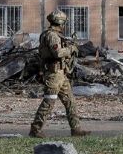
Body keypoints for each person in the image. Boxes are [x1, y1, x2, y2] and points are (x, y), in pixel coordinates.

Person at [29, 9, 90, 138]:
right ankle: (35, 129)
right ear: (60, 22)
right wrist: (71, 48)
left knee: (70, 101)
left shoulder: (55, 35)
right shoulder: (52, 36)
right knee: (49, 101)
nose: (64, 25)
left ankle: (76, 129)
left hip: (61, 74)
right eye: (64, 23)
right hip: (53, 74)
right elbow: (57, 53)